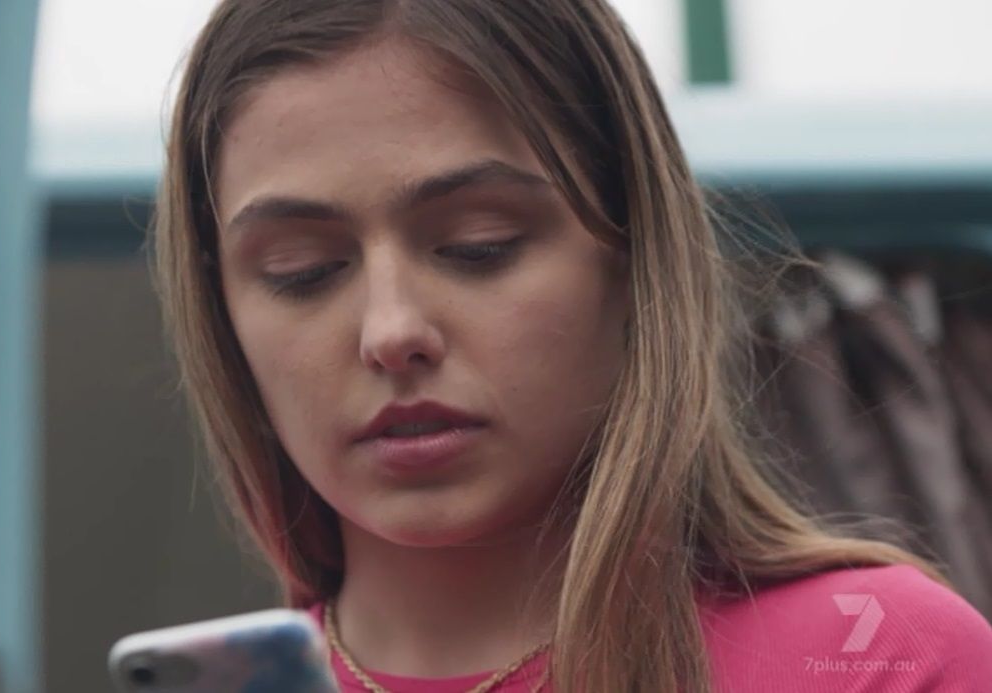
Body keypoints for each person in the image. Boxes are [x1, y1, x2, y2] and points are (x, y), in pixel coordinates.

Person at [150, 1, 992, 690]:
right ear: (220, 313)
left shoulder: (879, 659)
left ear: (631, 259)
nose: (392, 331)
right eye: (302, 270)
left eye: (478, 245)